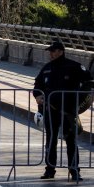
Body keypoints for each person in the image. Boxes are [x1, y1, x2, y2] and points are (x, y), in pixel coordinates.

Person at [34, 40, 93, 181]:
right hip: (50, 111)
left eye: (53, 51)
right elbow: (37, 85)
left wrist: (82, 100)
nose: (50, 54)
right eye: (50, 51)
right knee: (51, 140)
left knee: (71, 141)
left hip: (68, 111)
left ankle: (74, 171)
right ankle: (49, 170)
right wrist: (37, 96)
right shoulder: (47, 68)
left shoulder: (73, 66)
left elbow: (89, 82)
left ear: (60, 52)